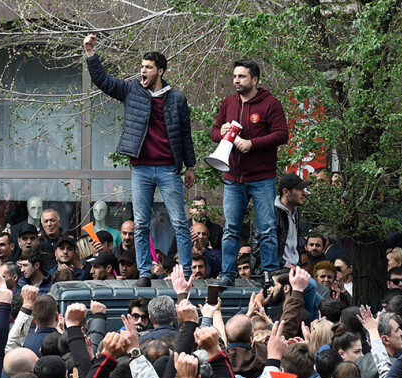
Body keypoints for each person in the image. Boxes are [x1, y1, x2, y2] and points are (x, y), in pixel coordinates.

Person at [84, 34, 196, 287]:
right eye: (141, 67)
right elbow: (103, 81)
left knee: (179, 221)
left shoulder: (176, 99)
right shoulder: (132, 90)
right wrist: (91, 55)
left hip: (168, 169)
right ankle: (144, 273)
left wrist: (191, 167)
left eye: (148, 68)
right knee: (142, 223)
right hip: (141, 168)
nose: (142, 71)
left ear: (160, 71)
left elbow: (185, 134)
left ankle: (187, 272)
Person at [211, 59, 289, 286]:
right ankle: (227, 274)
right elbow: (214, 132)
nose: (236, 80)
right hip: (233, 177)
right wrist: (221, 132)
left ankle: (270, 275)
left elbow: (282, 134)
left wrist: (252, 144)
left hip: (262, 177)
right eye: (235, 76)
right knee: (231, 229)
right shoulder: (228, 103)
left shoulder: (270, 104)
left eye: (242, 76)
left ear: (255, 80)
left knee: (266, 229)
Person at [251, 173, 309, 272]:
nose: (304, 193)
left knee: (316, 287)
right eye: (299, 189)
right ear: (286, 192)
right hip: (275, 273)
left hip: (293, 270)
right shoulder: (268, 213)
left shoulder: (295, 212)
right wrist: (284, 264)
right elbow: (257, 248)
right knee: (314, 287)